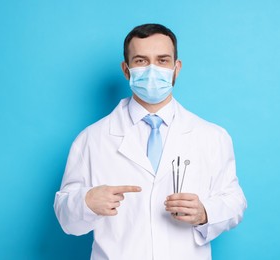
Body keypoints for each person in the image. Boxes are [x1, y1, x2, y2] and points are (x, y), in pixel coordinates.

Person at [54, 23, 247, 260]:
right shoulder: (92, 139)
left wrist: (205, 212)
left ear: (177, 68)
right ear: (126, 70)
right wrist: (85, 202)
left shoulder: (212, 136)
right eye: (141, 61)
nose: (153, 70)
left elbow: (235, 202)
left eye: (163, 60)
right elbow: (66, 219)